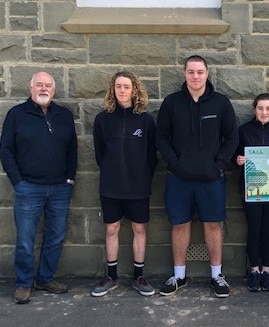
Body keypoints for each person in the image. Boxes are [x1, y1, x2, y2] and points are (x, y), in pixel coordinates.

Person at [155, 55, 238, 298]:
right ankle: (179, 275)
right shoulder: (171, 103)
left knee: (213, 224)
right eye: (191, 71)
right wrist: (175, 164)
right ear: (184, 73)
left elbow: (232, 137)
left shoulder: (221, 103)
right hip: (178, 177)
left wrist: (218, 164)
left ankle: (217, 275)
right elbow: (161, 137)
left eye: (200, 72)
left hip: (212, 178)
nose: (195, 76)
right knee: (179, 224)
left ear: (207, 73)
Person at [0, 72, 77, 304]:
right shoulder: (16, 115)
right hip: (28, 188)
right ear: (31, 87)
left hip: (60, 189)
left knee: (55, 236)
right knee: (25, 239)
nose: (44, 88)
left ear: (54, 90)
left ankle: (45, 278)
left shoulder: (64, 115)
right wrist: (18, 182)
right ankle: (24, 283)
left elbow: (73, 148)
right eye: (39, 85)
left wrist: (70, 179)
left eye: (48, 85)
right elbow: (5, 150)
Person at [91, 71, 157, 297]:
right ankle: (111, 276)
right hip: (111, 186)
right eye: (118, 86)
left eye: (126, 86)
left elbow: (151, 157)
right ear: (113, 89)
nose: (122, 90)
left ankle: (139, 275)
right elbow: (100, 154)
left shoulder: (146, 121)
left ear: (134, 90)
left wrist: (142, 176)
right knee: (112, 228)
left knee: (139, 228)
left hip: (138, 186)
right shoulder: (102, 119)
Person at [234, 93, 269, 292]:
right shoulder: (244, 131)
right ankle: (254, 271)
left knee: (268, 230)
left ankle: (266, 271)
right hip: (251, 191)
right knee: (254, 230)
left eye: (268, 108)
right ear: (254, 109)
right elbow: (233, 155)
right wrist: (238, 160)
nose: (264, 112)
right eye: (260, 108)